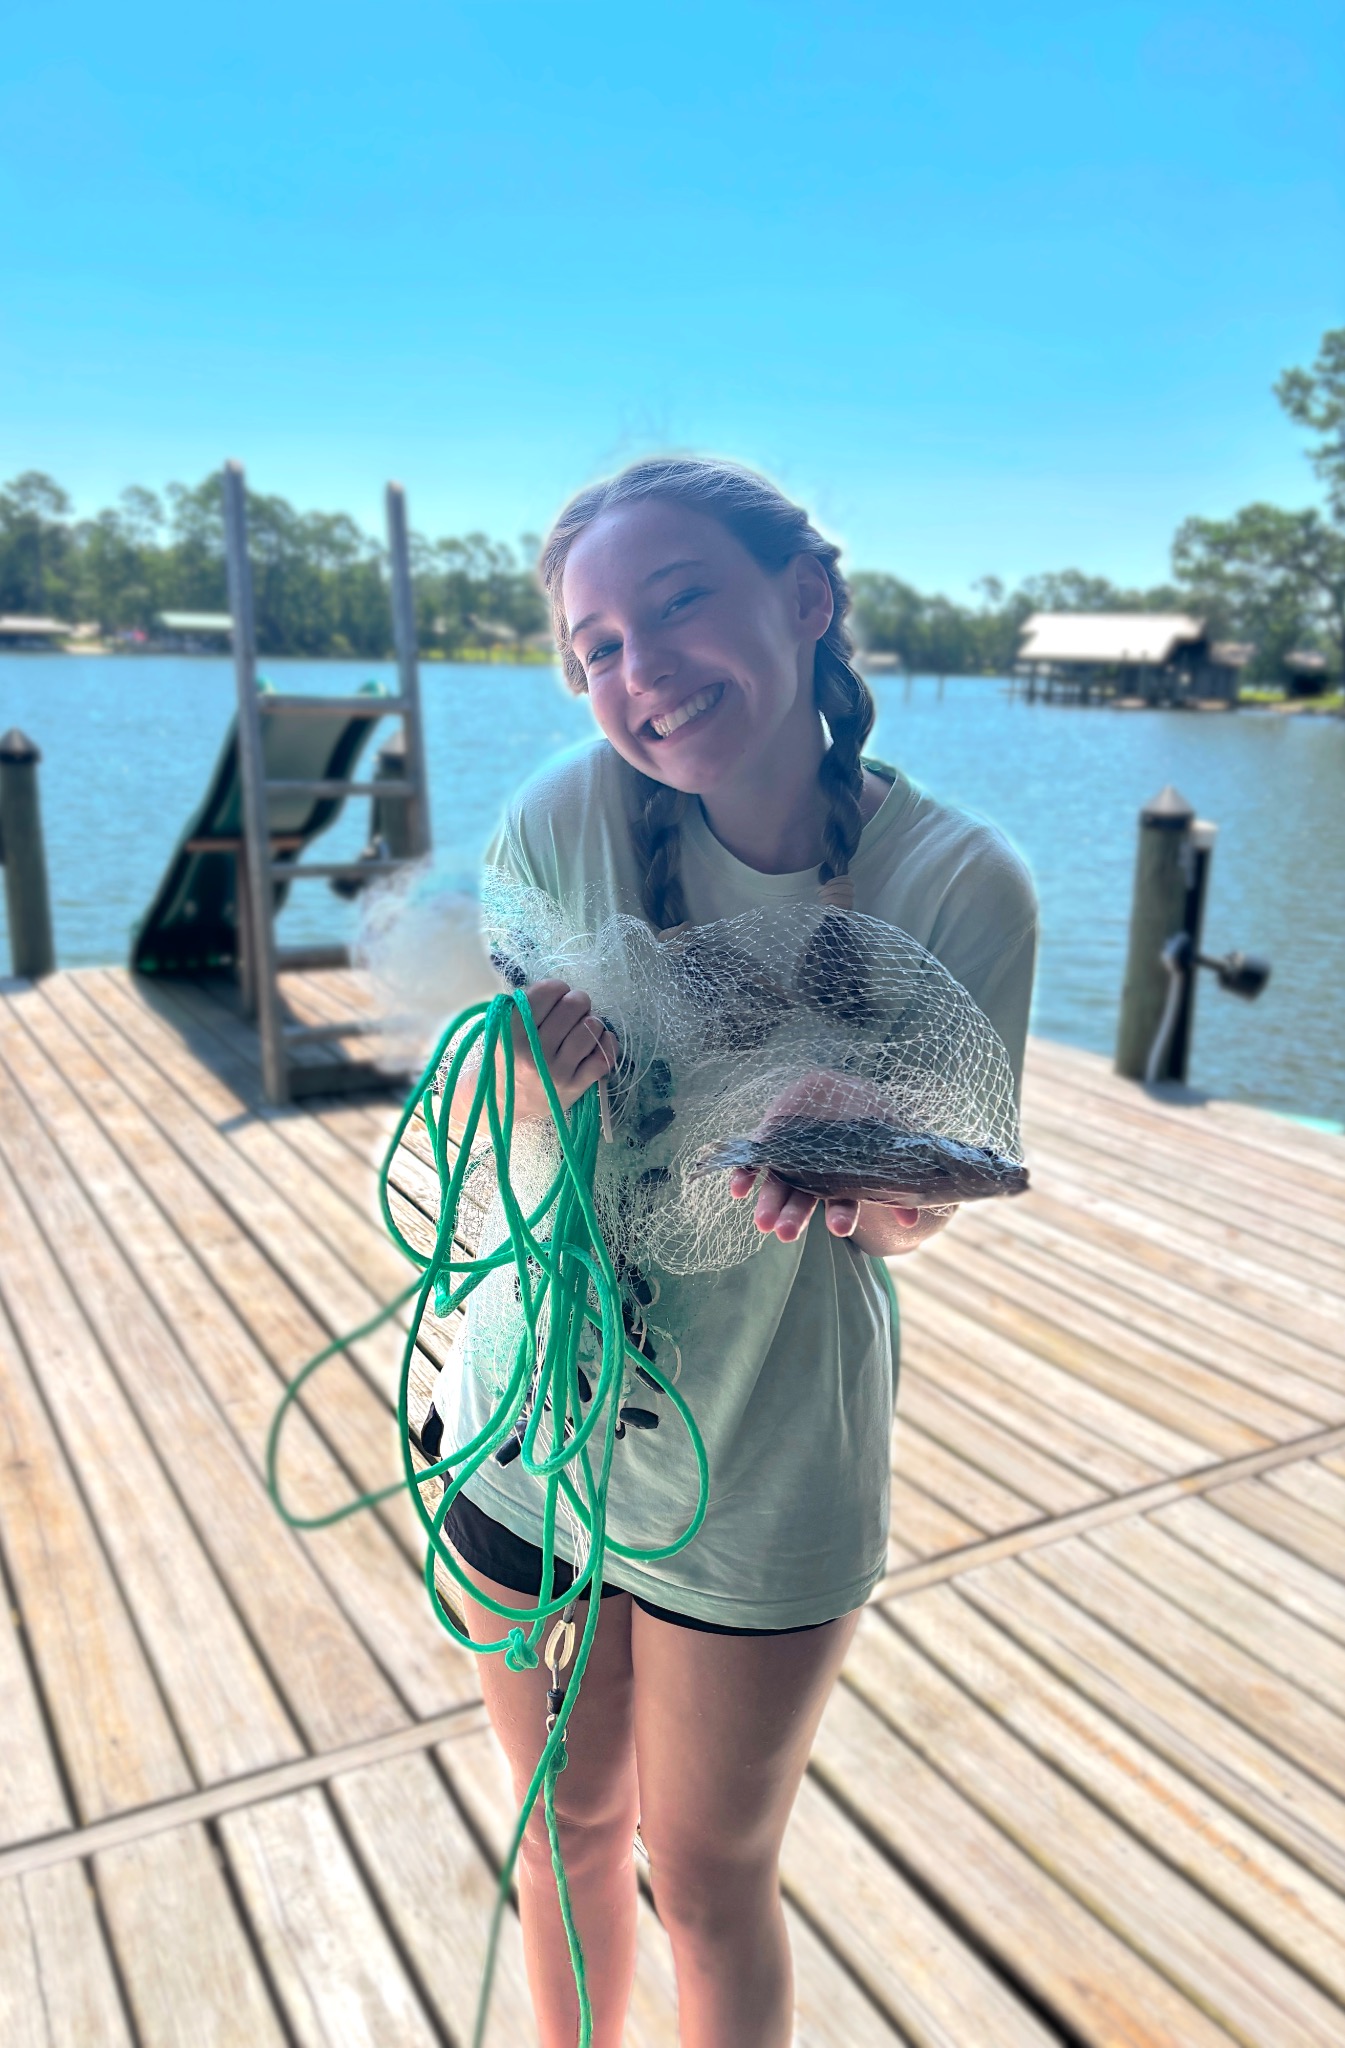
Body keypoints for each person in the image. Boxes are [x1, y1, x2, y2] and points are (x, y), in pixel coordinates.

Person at [434, 458, 1037, 2048]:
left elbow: (908, 1225)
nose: (639, 668)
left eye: (679, 601)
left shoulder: (960, 882)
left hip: (765, 1463)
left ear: (805, 598)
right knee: (560, 1834)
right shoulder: (554, 820)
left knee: (706, 1880)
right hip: (523, 1433)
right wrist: (514, 1081)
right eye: (596, 648)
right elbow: (486, 1126)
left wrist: (866, 1166)